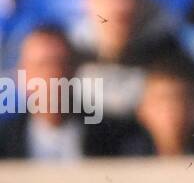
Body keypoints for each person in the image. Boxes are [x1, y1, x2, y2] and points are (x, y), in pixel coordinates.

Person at [0, 25, 151, 159]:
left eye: (61, 63)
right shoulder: (5, 142)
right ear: (21, 75)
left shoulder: (117, 137)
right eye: (42, 65)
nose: (53, 74)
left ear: (75, 69)